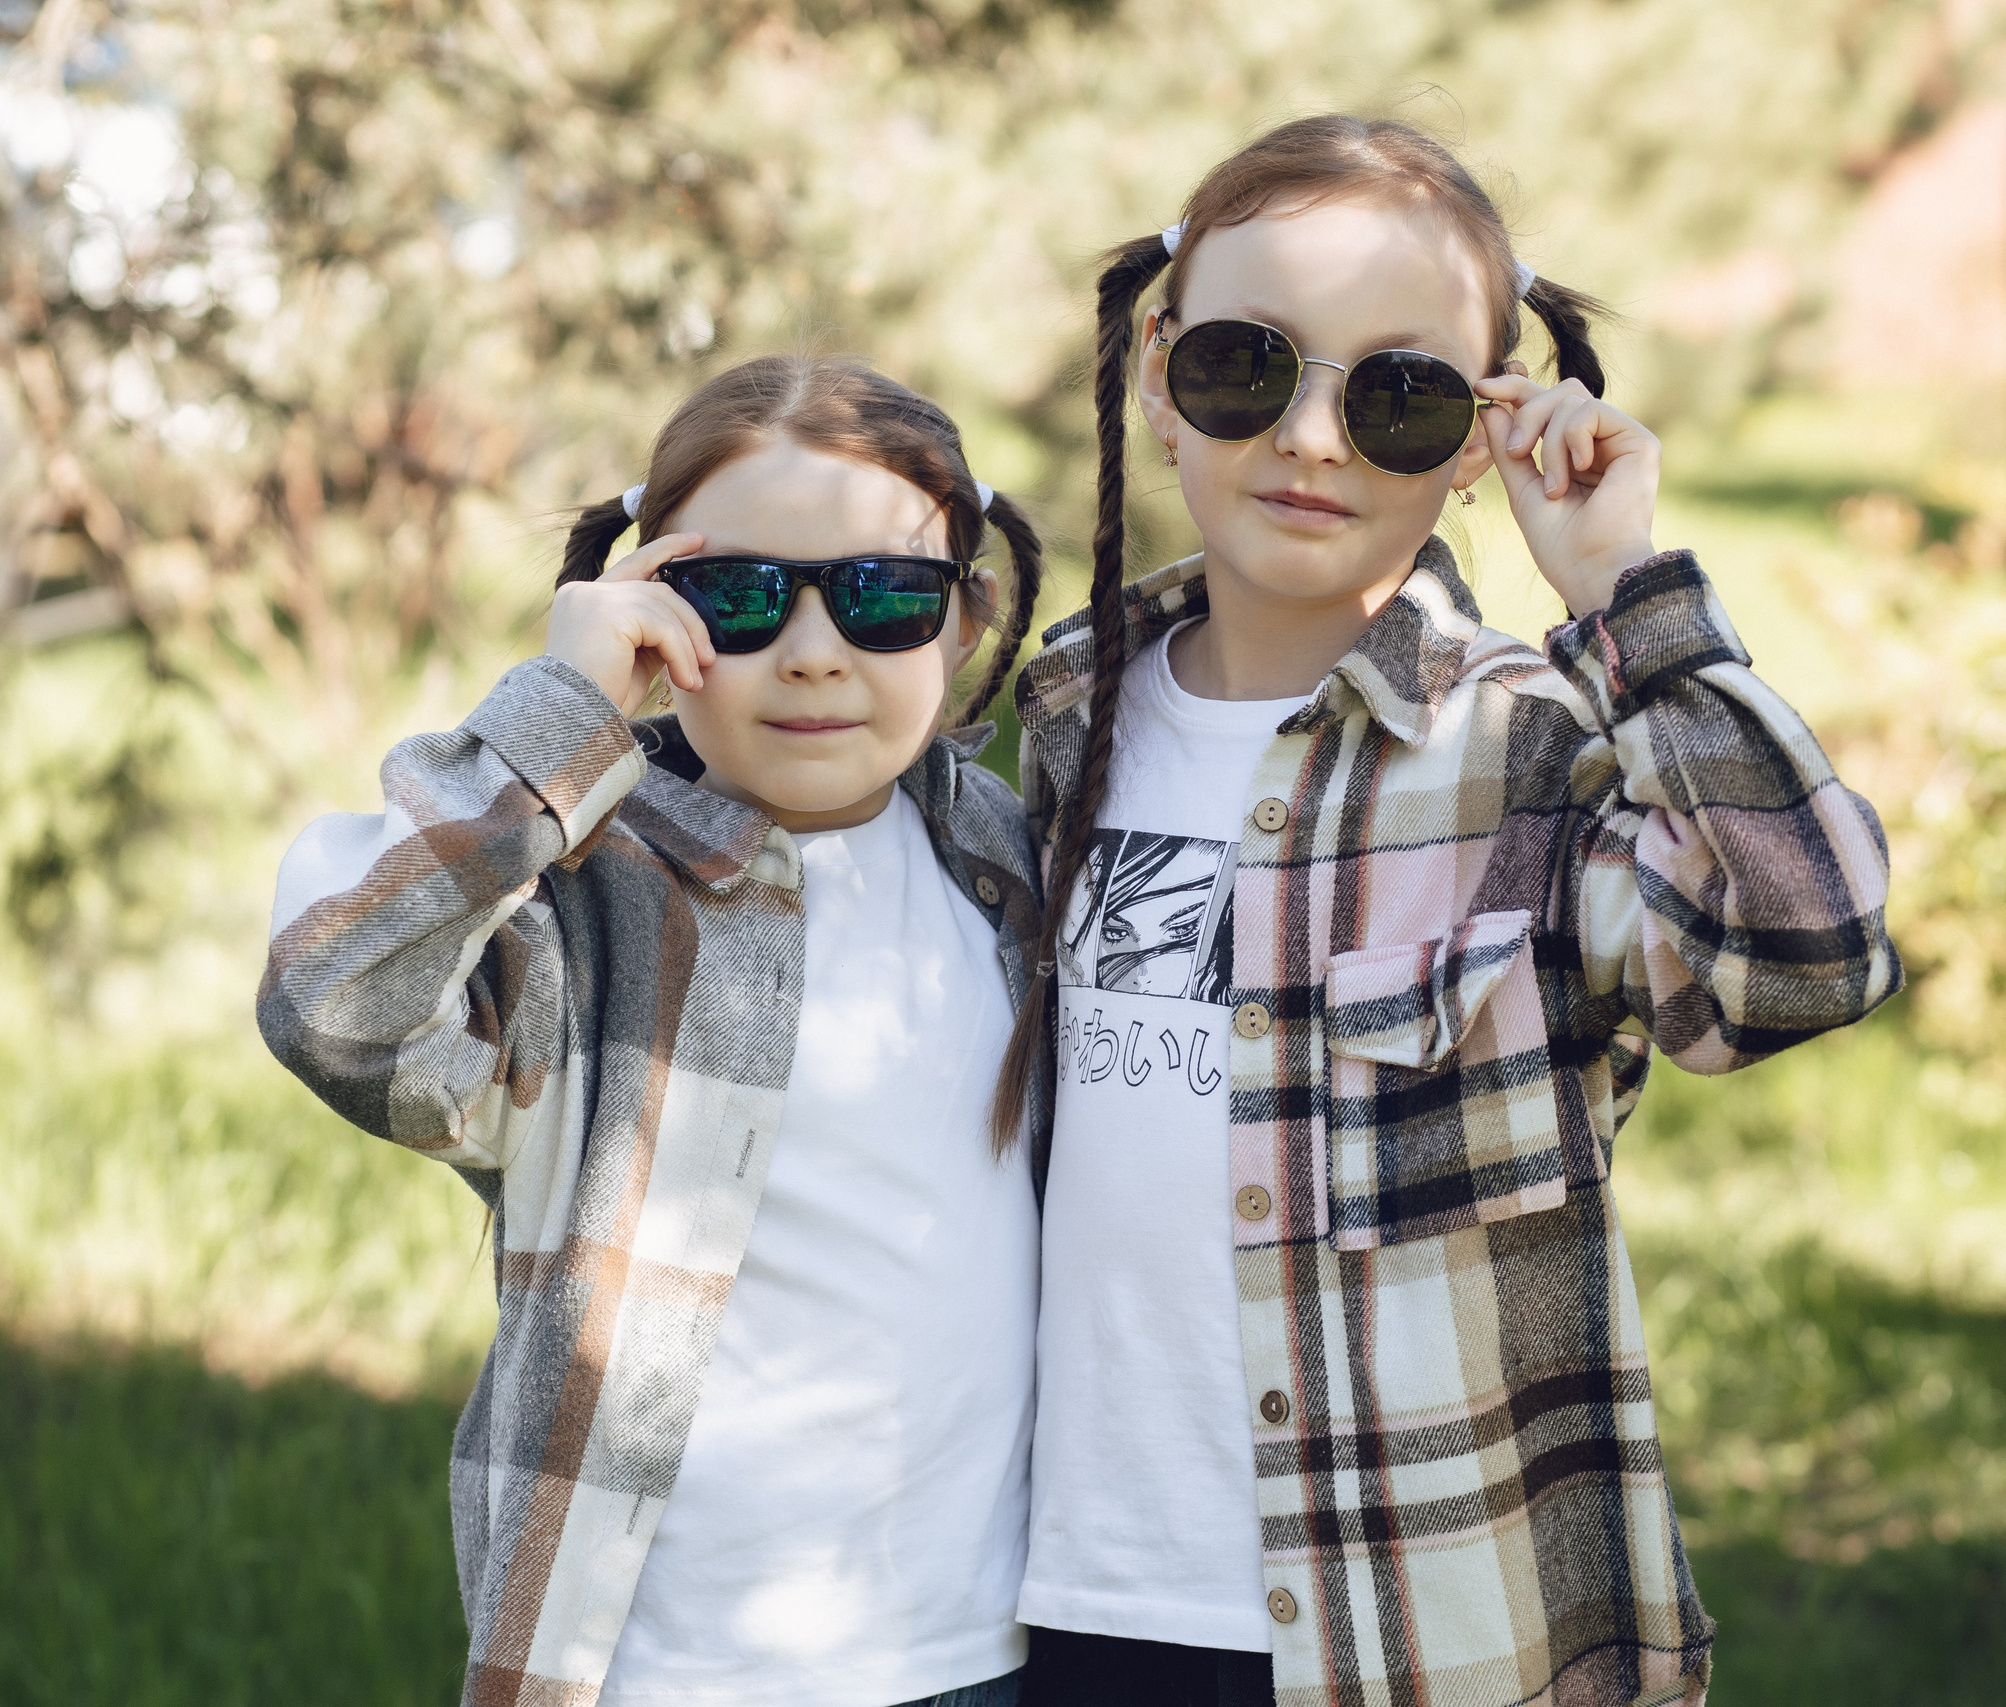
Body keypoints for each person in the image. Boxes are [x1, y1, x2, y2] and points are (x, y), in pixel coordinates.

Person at [999, 116, 1902, 1707]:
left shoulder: (1532, 755)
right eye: (1244, 366)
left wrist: (1627, 592)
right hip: (1062, 1599)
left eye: (1401, 395)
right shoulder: (1059, 715)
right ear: (1156, 368)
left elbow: (1807, 952)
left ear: (1483, 434)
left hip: (1423, 1624)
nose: (1314, 438)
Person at [259, 355, 1048, 1707]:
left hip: (994, 1651)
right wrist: (555, 726)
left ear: (964, 624)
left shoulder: (1018, 861)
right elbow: (336, 1005)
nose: (811, 650)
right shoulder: (582, 903)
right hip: (680, 1667)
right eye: (736, 599)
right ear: (646, 613)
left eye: (884, 599)